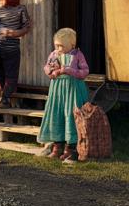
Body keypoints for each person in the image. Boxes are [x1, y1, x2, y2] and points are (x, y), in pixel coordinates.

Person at [38, 27, 90, 162]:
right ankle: (57, 145)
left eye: (62, 46)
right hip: (57, 89)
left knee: (70, 115)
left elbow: (85, 71)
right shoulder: (54, 54)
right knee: (57, 114)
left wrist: (69, 70)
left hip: (72, 89)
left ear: (72, 45)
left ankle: (71, 147)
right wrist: (50, 71)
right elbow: (46, 66)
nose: (59, 48)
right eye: (57, 45)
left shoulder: (77, 55)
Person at [0, 0, 31, 108]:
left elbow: (27, 27)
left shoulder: (20, 9)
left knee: (11, 74)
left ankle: (5, 98)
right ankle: (1, 95)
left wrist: (14, 33)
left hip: (12, 48)